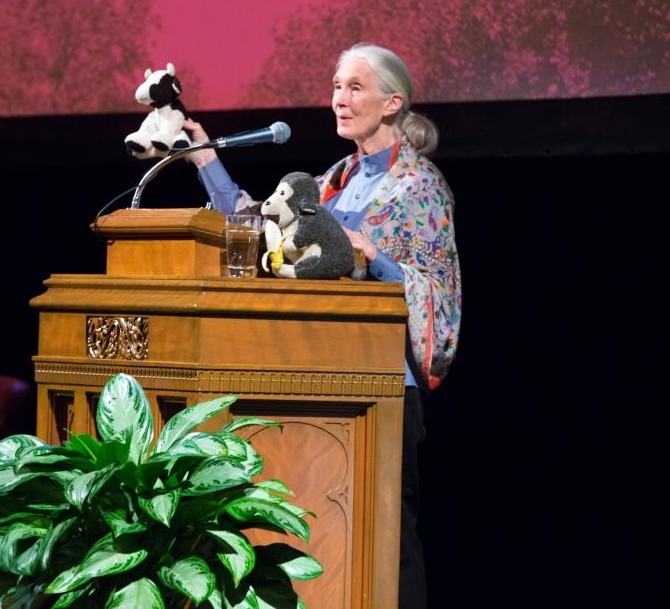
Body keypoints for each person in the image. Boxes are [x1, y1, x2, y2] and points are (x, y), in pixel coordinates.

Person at [182, 43, 462, 609]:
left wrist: (372, 256)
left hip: (383, 389)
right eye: (336, 86)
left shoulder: (420, 189)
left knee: (388, 541)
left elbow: (438, 290)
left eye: (355, 87)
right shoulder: (329, 182)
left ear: (393, 102)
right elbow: (258, 226)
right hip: (314, 379)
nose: (339, 98)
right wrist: (204, 160)